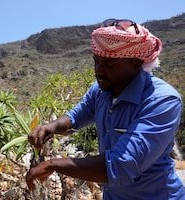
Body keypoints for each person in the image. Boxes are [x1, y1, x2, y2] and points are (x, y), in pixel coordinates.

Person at [26, 18, 185, 199]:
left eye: (109, 64)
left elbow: (122, 165)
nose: (99, 71)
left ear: (136, 63)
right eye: (96, 61)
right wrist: (51, 127)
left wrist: (53, 165)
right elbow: (77, 116)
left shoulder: (161, 101)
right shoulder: (102, 89)